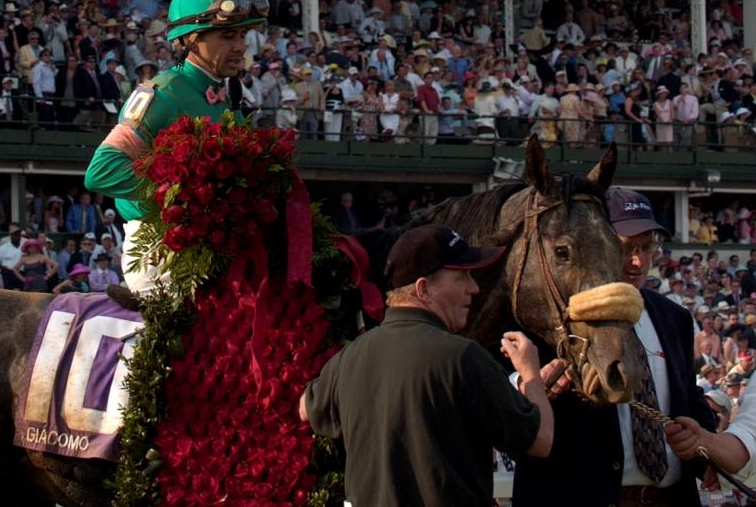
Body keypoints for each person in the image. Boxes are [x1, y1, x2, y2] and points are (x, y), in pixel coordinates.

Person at [300, 224, 554, 505]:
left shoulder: (349, 358)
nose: (474, 287)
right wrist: (531, 375)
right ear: (424, 289)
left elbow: (304, 408)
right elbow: (541, 440)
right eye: (462, 276)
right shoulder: (462, 358)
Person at [513, 188, 716, 506]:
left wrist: (708, 451)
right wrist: (533, 385)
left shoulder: (674, 317)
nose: (637, 262)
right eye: (626, 248)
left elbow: (687, 398)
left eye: (646, 248)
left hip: (671, 496)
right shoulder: (552, 316)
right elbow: (502, 395)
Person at [84, 0, 266, 303]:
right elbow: (101, 171)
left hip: (215, 253)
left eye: (242, 34)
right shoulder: (160, 93)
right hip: (161, 257)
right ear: (191, 39)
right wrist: (185, 201)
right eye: (227, 35)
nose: (240, 46)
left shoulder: (231, 98)